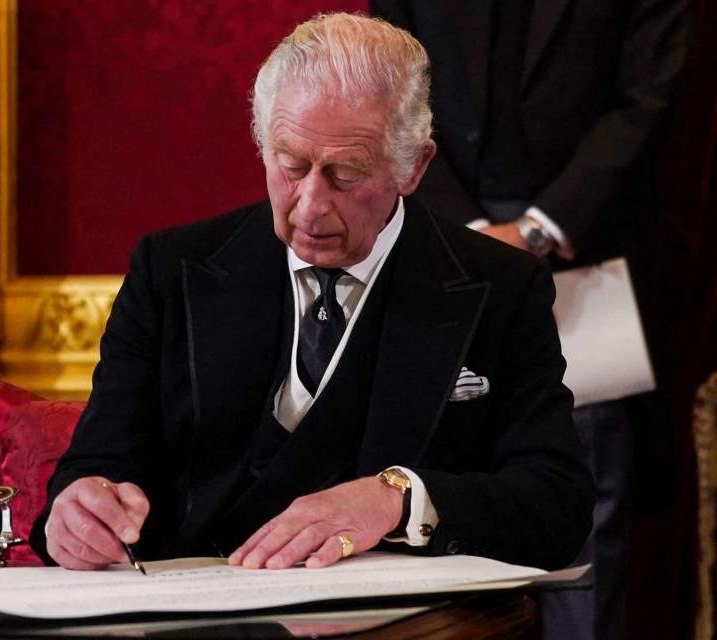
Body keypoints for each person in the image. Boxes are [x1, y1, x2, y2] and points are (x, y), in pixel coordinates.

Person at [30, 13, 593, 574]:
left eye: (346, 174)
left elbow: (556, 506)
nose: (310, 205)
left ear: (414, 166)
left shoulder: (501, 286)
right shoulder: (170, 271)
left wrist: (398, 498)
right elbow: (96, 467)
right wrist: (77, 513)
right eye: (291, 165)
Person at [368, 3, 688, 638]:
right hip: (438, 254)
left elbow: (648, 101)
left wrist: (537, 231)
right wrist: (473, 236)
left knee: (585, 529)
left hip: (582, 266)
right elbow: (383, 88)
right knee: (432, 519)